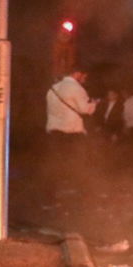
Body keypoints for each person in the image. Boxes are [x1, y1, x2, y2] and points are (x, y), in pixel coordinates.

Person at [46, 67, 97, 199]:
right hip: (72, 132)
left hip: (54, 131)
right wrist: (94, 103)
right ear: (77, 73)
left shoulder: (53, 89)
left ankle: (53, 192)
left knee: (56, 164)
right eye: (84, 76)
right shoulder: (76, 88)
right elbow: (86, 109)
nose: (85, 79)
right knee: (76, 163)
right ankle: (77, 191)